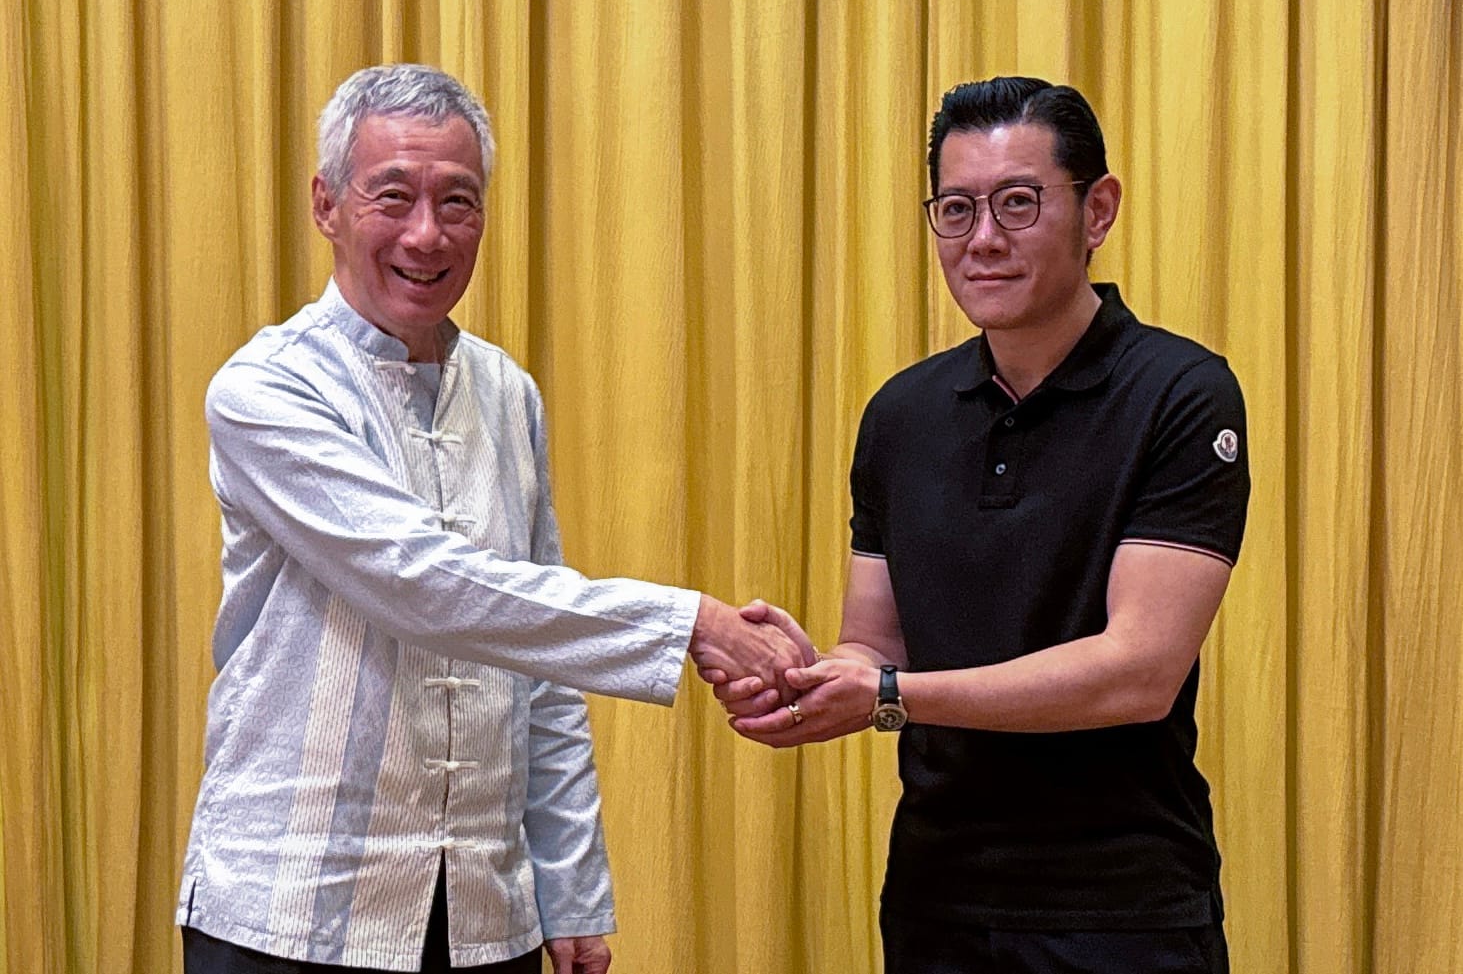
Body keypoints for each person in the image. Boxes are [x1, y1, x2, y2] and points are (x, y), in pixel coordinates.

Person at [176, 63, 809, 974]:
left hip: (482, 914)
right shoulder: (265, 389)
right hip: (290, 907)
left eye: (458, 202)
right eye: (391, 196)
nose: (426, 234)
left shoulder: (508, 393)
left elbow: (538, 661)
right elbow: (422, 583)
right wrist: (691, 625)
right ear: (325, 204)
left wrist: (570, 887)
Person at [718, 77, 1250, 973]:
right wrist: (803, 677)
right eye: (955, 210)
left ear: (1098, 209)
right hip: (937, 898)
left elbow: (1137, 673)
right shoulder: (901, 413)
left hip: (1121, 909)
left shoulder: (1181, 394)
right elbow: (872, 643)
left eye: (1017, 202)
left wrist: (888, 695)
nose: (984, 239)